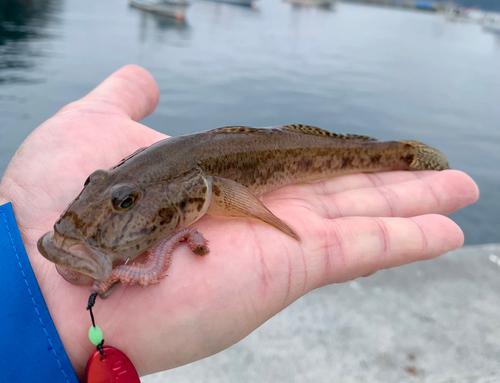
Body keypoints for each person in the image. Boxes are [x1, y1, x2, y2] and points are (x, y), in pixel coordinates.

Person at [0, 65, 479, 382]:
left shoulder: (209, 188)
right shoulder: (136, 185)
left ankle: (407, 156)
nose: (110, 205)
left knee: (379, 164)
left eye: (124, 202)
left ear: (201, 190)